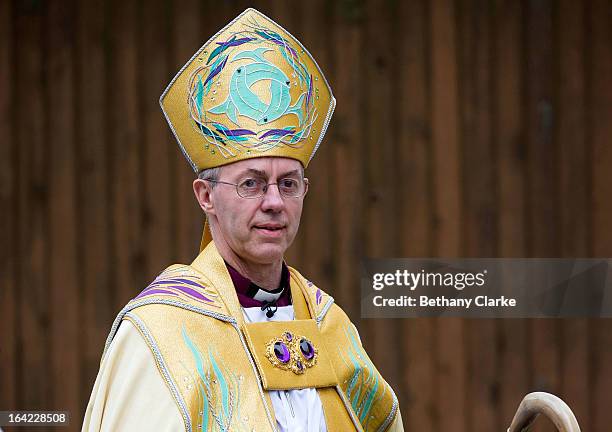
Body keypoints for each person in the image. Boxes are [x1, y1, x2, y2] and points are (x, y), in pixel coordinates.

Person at [82, 8, 403, 432]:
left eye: (288, 184)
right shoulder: (161, 331)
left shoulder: (328, 325)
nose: (274, 202)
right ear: (206, 196)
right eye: (251, 184)